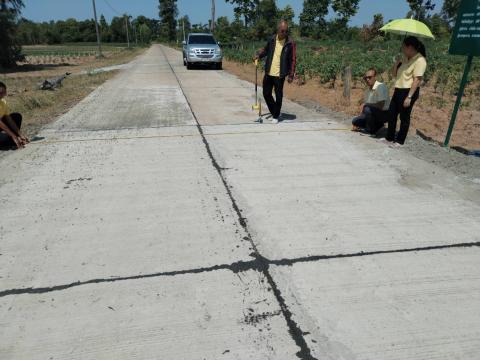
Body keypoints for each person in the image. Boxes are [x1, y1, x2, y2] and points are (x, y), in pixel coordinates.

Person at [385, 36, 427, 146]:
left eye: (404, 47)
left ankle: (400, 141)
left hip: (408, 91)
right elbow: (394, 75)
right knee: (392, 114)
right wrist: (396, 64)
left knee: (404, 117)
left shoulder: (420, 60)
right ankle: (389, 137)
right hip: (398, 89)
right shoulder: (404, 59)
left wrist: (409, 97)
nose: (402, 49)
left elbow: (417, 79)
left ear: (410, 47)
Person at [254, 20, 296, 124]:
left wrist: (291, 74)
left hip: (280, 74)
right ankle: (275, 111)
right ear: (278, 30)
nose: (284, 33)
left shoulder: (290, 43)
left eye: (286, 31)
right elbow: (266, 50)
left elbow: (293, 59)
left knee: (278, 95)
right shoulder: (272, 39)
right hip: (269, 72)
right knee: (266, 93)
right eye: (282, 31)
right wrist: (258, 56)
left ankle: (276, 116)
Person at [352, 68, 390, 134]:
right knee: (355, 121)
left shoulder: (380, 86)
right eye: (365, 78)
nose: (367, 79)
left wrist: (366, 105)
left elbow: (381, 105)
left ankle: (374, 129)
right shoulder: (367, 91)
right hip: (373, 113)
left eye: (369, 77)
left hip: (384, 113)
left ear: (375, 77)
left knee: (367, 108)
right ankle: (376, 126)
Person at [0, 82, 28, 149]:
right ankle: (12, 140)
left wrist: (20, 134)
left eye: (3, 92)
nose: (2, 95)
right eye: (0, 93)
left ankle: (16, 140)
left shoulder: (3, 102)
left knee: (16, 116)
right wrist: (13, 136)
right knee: (4, 140)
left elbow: (9, 120)